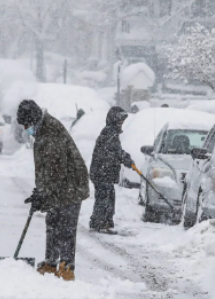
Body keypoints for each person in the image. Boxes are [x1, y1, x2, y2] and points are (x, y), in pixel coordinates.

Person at [17, 99, 90, 281]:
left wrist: (43, 193)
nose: (26, 128)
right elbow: (46, 169)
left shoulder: (51, 133)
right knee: (52, 222)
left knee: (65, 226)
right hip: (60, 185)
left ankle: (66, 267)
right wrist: (39, 192)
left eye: (26, 124)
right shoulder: (42, 131)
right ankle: (50, 263)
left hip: (71, 185)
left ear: (33, 119)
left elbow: (55, 170)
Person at [89, 106, 135, 233]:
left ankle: (100, 222)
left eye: (123, 120)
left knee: (106, 197)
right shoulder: (109, 133)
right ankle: (101, 223)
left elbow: (116, 151)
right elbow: (111, 153)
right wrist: (123, 158)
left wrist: (125, 157)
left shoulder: (111, 132)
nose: (122, 122)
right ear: (114, 119)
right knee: (105, 198)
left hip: (103, 172)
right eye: (120, 120)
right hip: (102, 172)